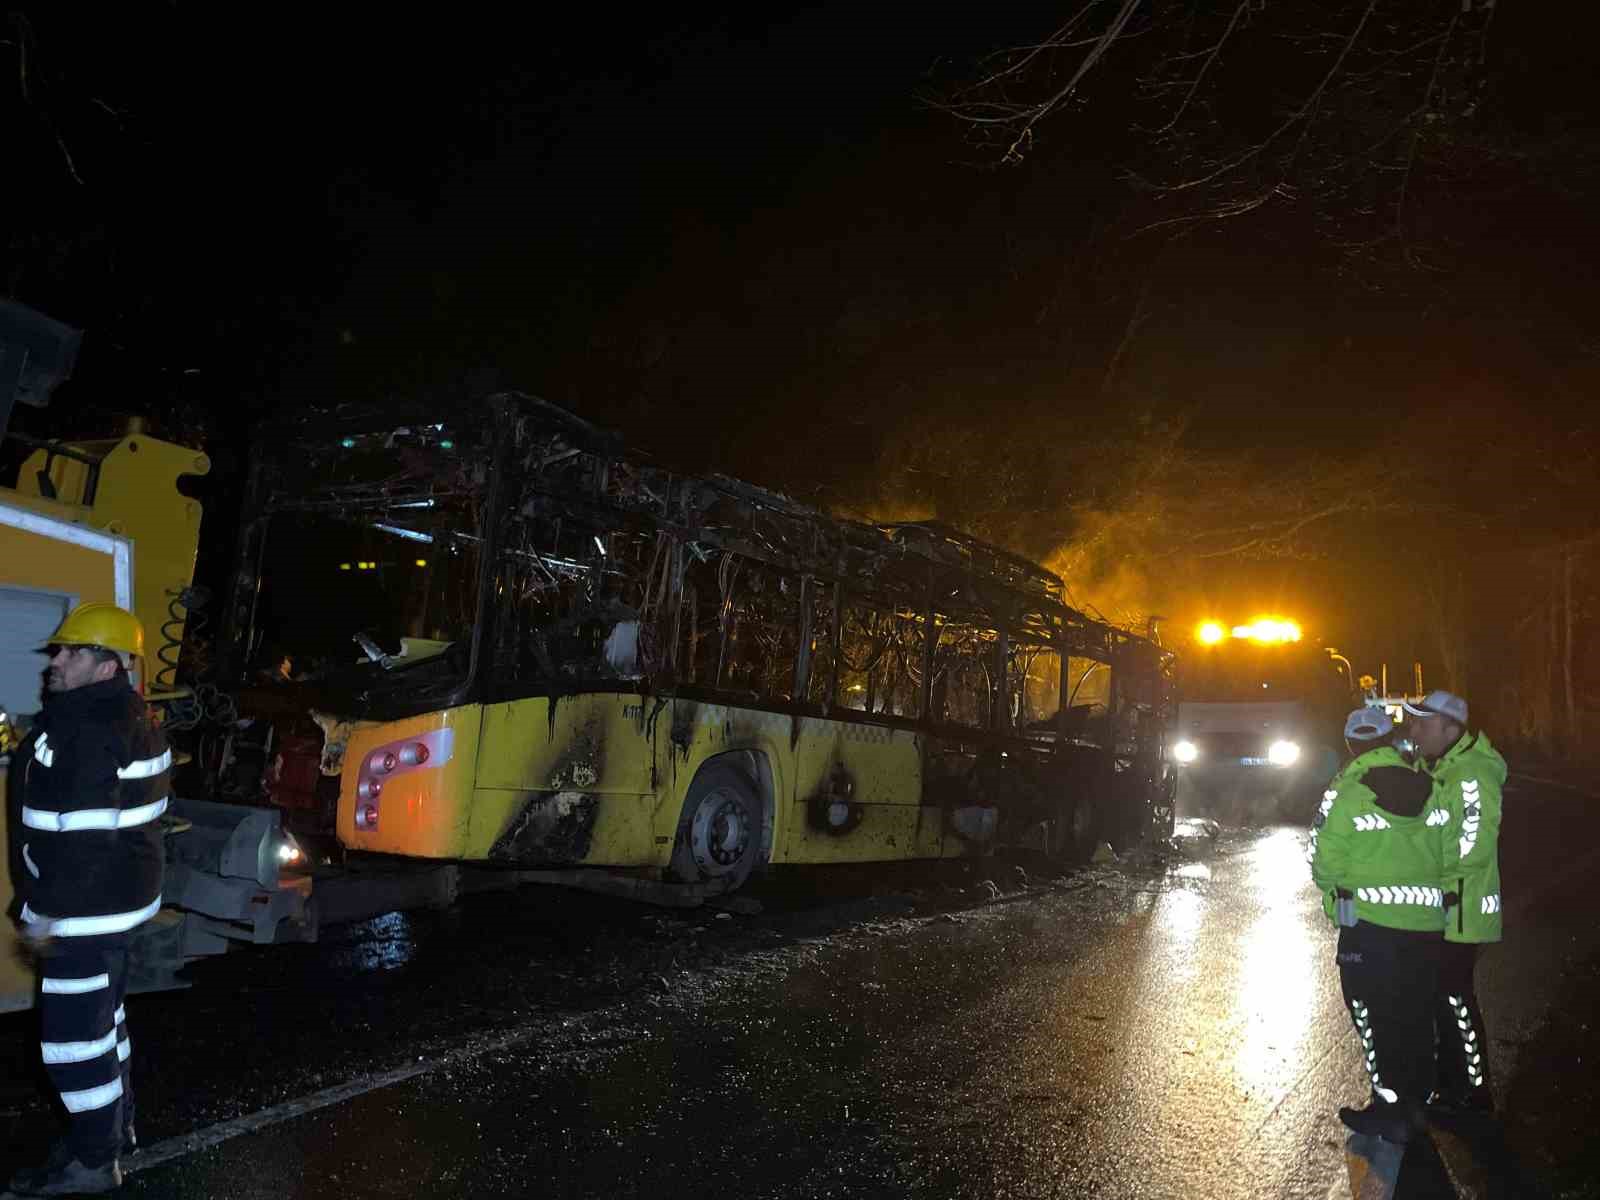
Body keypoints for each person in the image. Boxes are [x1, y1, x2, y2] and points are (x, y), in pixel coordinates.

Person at [8, 603, 167, 1196]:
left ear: (108, 666)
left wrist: (45, 911)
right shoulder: (118, 714)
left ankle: (94, 1162)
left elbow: (85, 839)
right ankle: (110, 1132)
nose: (57, 660)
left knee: (73, 1040)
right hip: (116, 901)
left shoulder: (91, 728)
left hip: (85, 908)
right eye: (59, 649)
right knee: (106, 1023)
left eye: (72, 652)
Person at [1309, 706, 1443, 1144]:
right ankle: (1418, 1104)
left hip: (1368, 928)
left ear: (1351, 745)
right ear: (1391, 740)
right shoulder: (1431, 786)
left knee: (1371, 1012)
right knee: (1417, 1012)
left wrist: (1338, 907)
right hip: (1427, 926)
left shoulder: (1347, 791)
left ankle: (1388, 1108)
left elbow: (1324, 861)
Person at [1405, 689, 1506, 1115]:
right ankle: (1451, 1086)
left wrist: (1431, 880)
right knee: (1443, 1001)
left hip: (1460, 909)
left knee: (1456, 1001)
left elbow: (1472, 846)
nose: (1414, 731)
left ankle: (1475, 1094)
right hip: (1445, 908)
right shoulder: (1443, 768)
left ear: (1451, 728)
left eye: (1423, 724)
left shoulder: (1470, 774)